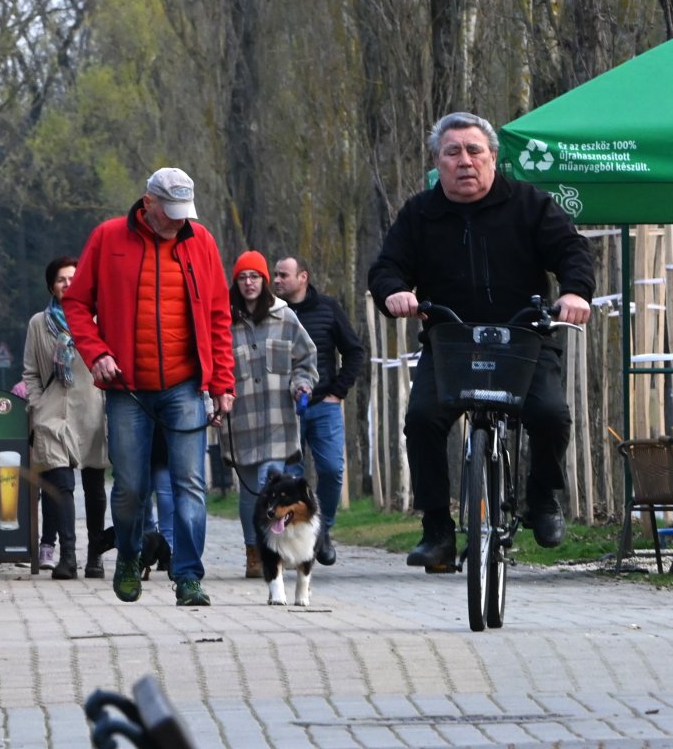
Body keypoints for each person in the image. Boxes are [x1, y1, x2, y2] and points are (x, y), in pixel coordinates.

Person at [368, 111, 593, 570]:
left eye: (475, 151)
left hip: (525, 337)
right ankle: (437, 530)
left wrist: (574, 292)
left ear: (493, 157)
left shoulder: (530, 204)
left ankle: (542, 497)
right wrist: (394, 292)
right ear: (438, 162)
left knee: (550, 413)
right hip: (451, 341)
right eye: (453, 152)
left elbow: (572, 250)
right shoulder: (420, 214)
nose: (464, 161)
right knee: (423, 419)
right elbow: (386, 267)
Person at [64, 167, 235, 608]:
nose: (179, 221)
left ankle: (189, 577)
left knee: (190, 485)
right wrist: (96, 352)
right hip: (127, 389)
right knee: (130, 488)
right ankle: (128, 554)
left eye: (185, 213)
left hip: (185, 386)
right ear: (148, 202)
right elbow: (77, 304)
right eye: (171, 212)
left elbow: (218, 316)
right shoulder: (107, 239)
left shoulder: (202, 243)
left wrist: (222, 383)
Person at [223, 251, 317, 579]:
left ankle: (275, 549)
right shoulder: (223, 319)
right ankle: (253, 551)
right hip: (242, 420)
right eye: (242, 278)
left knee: (272, 483)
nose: (249, 283)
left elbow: (306, 359)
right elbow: (213, 363)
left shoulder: (285, 317)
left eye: (255, 277)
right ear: (235, 282)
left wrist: (302, 384)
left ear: (265, 281)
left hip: (280, 419)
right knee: (251, 492)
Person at [271, 253, 365, 565]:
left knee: (332, 470)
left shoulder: (328, 309)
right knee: (289, 477)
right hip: (284, 409)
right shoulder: (273, 313)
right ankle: (290, 540)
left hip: (324, 405)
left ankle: (322, 530)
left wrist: (338, 392)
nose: (277, 280)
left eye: (284, 275)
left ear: (303, 277)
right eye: (275, 275)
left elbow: (354, 351)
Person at [22, 256, 110, 581]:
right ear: (51, 286)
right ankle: (68, 557)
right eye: (61, 279)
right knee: (61, 485)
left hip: (92, 410)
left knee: (94, 486)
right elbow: (30, 372)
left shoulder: (100, 320)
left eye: (74, 278)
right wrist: (36, 403)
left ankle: (96, 557)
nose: (68, 284)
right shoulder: (37, 324)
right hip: (53, 413)